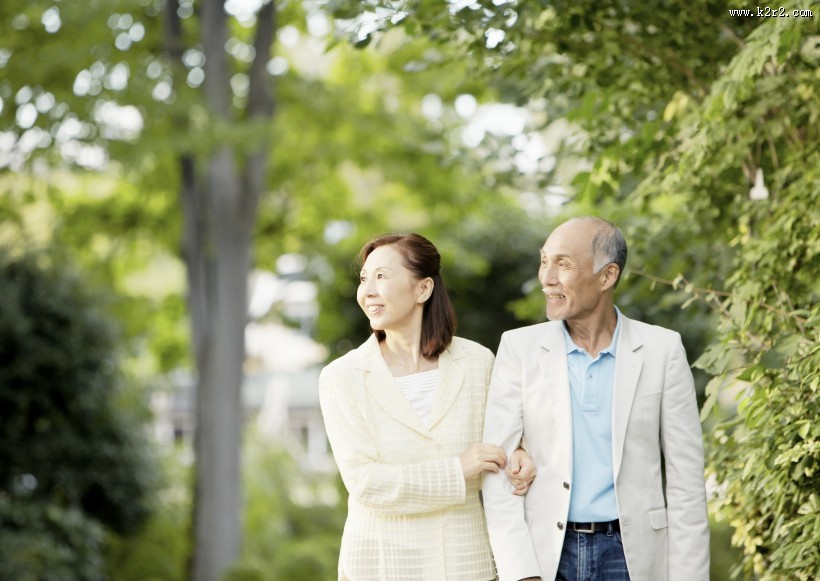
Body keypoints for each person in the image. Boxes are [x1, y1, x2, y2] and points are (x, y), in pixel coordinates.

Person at [482, 217, 710, 581]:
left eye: (563, 264)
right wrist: (521, 573)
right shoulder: (518, 348)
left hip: (632, 556)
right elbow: (497, 471)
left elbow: (686, 482)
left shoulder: (662, 349)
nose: (547, 277)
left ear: (607, 276)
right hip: (546, 557)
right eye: (544, 260)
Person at [319, 233, 534, 580]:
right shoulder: (342, 376)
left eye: (382, 276)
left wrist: (520, 454)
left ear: (423, 289)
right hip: (380, 564)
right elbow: (366, 483)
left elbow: (502, 447)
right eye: (363, 278)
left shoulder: (478, 362)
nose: (368, 290)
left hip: (468, 562)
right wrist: (458, 469)